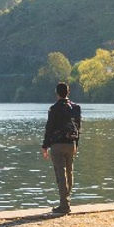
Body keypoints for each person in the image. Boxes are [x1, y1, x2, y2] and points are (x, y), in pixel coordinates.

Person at [40, 80, 81, 213]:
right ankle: (66, 201)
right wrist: (76, 144)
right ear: (68, 92)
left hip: (57, 144)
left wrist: (45, 146)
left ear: (57, 93)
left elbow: (49, 128)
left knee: (60, 173)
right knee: (69, 172)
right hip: (71, 143)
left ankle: (64, 205)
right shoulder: (76, 108)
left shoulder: (53, 109)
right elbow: (78, 127)